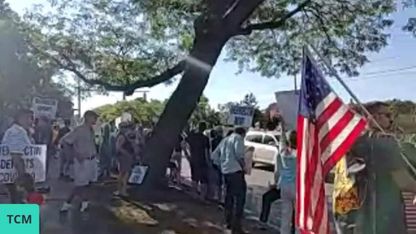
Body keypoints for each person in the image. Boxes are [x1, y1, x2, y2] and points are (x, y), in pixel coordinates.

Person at [349, 102, 416, 234]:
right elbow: (403, 180)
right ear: (372, 117)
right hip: (385, 219)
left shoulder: (351, 144)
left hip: (355, 219)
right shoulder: (384, 144)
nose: (391, 119)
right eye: (387, 115)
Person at [60, 110, 99, 212]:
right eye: (94, 117)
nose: (95, 120)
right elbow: (65, 141)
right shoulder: (79, 130)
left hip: (92, 159)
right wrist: (75, 155)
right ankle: (67, 203)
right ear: (88, 118)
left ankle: (85, 202)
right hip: (83, 161)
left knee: (89, 183)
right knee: (79, 184)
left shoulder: (91, 130)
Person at [211, 127, 247, 234]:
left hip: (226, 172)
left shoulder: (225, 140)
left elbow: (214, 155)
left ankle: (228, 222)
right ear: (242, 133)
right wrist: (244, 166)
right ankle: (236, 227)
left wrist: (221, 166)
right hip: (236, 172)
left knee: (229, 197)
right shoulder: (238, 138)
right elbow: (239, 154)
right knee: (239, 199)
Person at [1, 109, 34, 203]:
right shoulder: (17, 132)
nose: (31, 121)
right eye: (30, 118)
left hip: (14, 175)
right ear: (21, 118)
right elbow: (16, 156)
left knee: (16, 199)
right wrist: (22, 177)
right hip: (17, 174)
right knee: (18, 199)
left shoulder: (19, 131)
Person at [186, 122, 210, 199]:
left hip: (193, 159)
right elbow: (206, 151)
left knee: (194, 177)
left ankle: (194, 194)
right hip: (202, 160)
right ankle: (202, 196)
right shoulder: (205, 138)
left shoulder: (192, 136)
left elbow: (183, 143)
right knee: (204, 179)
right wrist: (208, 161)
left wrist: (187, 155)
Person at [113, 122, 136, 197]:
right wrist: (127, 154)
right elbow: (118, 148)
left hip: (124, 157)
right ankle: (123, 191)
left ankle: (120, 190)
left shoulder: (124, 136)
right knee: (124, 174)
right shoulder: (122, 137)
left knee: (122, 174)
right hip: (124, 157)